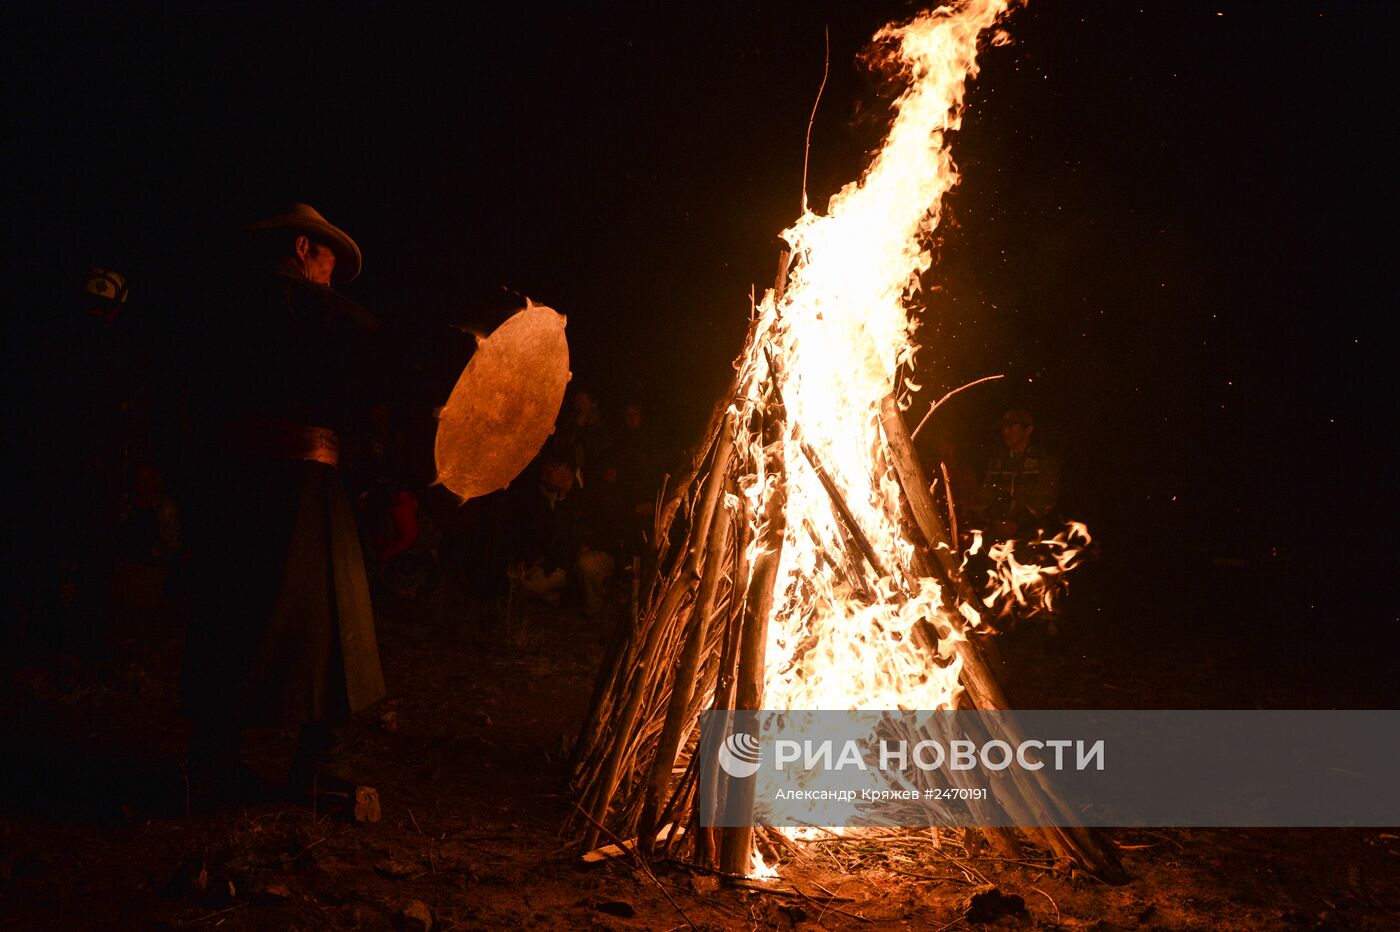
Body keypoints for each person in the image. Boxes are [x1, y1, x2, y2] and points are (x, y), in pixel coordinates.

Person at [181, 203, 386, 801]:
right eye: (326, 258)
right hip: (302, 486)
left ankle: (213, 760)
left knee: (232, 610)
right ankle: (317, 764)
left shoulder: (215, 312)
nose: (330, 273)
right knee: (336, 620)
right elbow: (375, 356)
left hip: (232, 486)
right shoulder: (319, 315)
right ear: (302, 249)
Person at [504, 444, 615, 617]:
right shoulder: (550, 498)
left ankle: (594, 606)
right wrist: (531, 560)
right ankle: (561, 598)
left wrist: (588, 545)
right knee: (520, 586)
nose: (544, 477)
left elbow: (604, 529)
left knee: (586, 565)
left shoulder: (588, 495)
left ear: (564, 470)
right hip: (560, 560)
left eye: (549, 472)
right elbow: (543, 535)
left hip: (584, 557)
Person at [977, 409, 1060, 542]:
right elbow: (988, 492)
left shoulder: (1043, 460)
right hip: (999, 534)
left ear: (1028, 430)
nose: (1005, 432)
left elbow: (1045, 496)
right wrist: (997, 520)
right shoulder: (997, 461)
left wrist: (1017, 523)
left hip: (1032, 534)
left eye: (1010, 427)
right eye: (1003, 427)